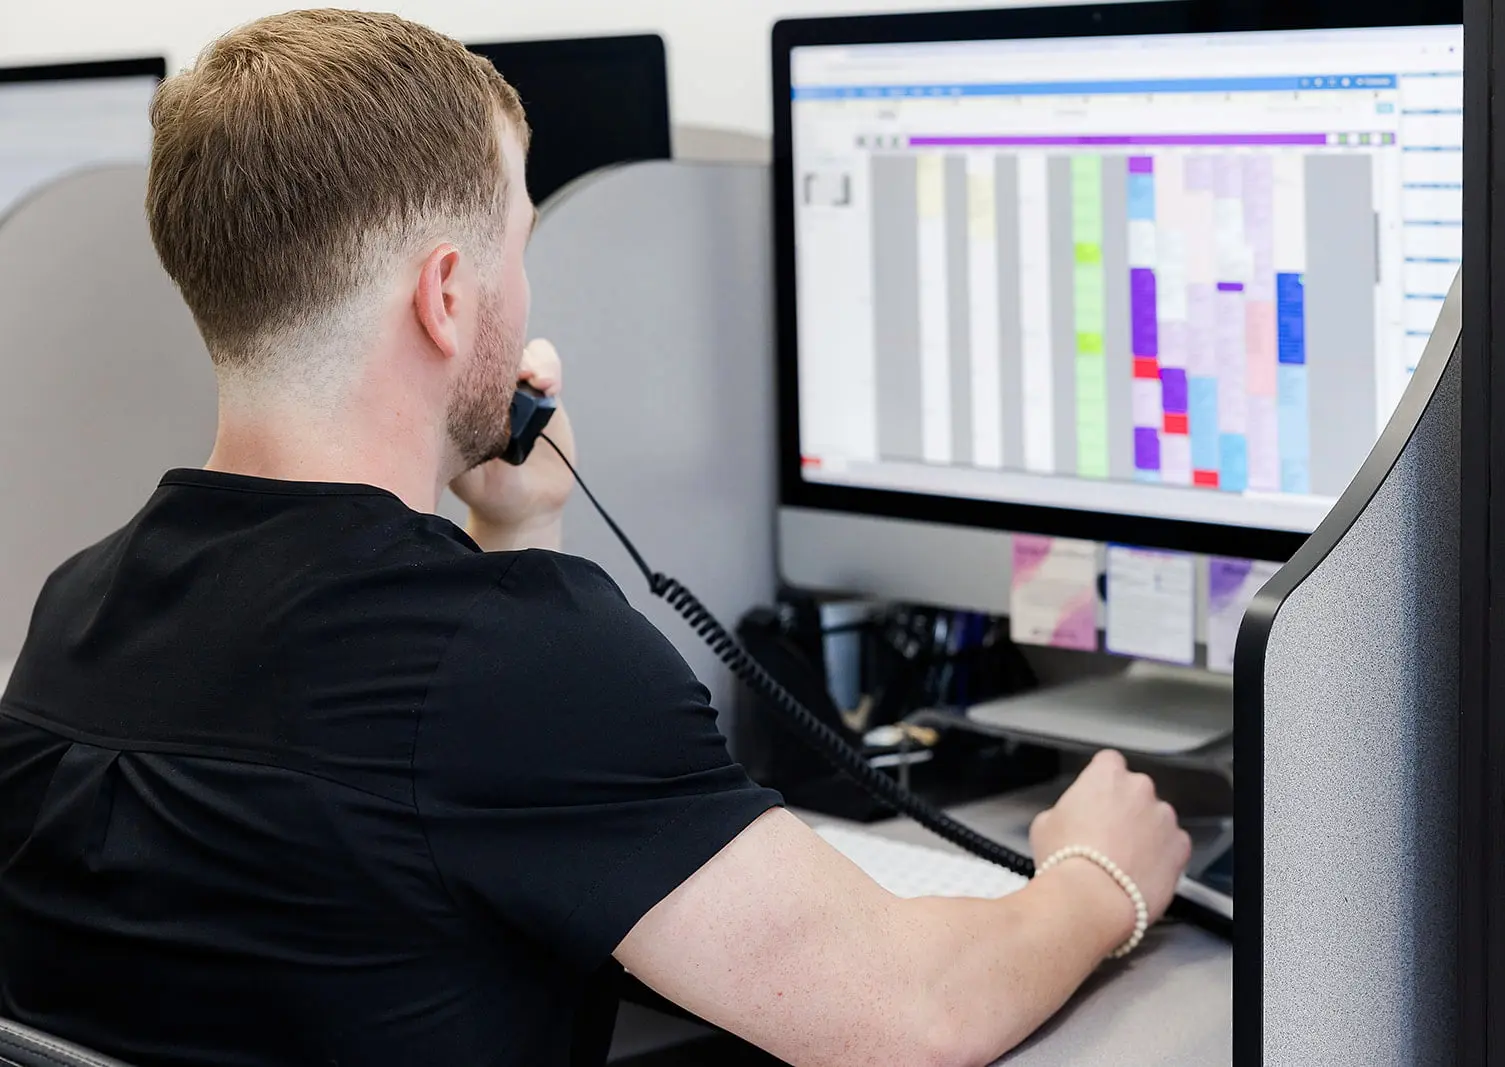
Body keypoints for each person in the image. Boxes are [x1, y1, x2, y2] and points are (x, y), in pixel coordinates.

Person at [0, 11, 1191, 1067]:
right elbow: (907, 1013)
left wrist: (518, 525)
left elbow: (433, 840)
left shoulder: (80, 607)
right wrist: (1098, 879)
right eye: (521, 246)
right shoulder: (508, 661)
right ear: (448, 296)